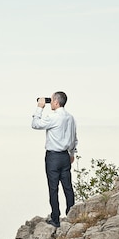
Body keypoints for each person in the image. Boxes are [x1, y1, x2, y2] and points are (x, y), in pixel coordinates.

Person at [31, 91, 78, 228]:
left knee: (53, 188)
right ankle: (71, 215)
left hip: (53, 157)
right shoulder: (70, 118)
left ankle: (55, 219)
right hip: (65, 156)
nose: (50, 102)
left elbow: (35, 124)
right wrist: (72, 153)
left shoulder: (53, 117)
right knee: (68, 187)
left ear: (56, 102)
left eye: (51, 100)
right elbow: (74, 137)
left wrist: (39, 107)